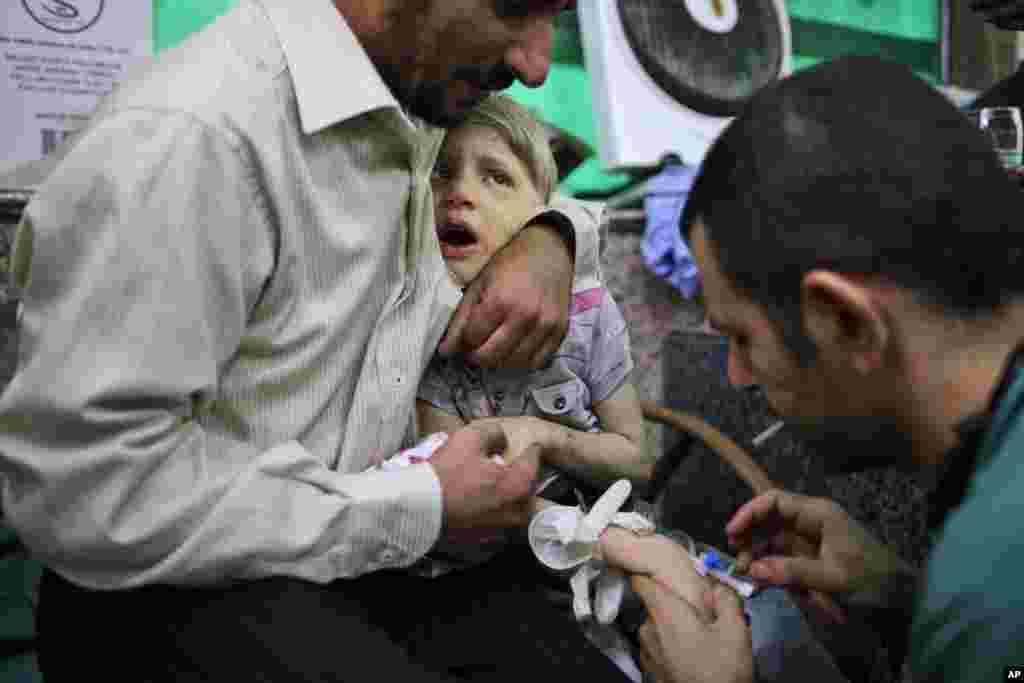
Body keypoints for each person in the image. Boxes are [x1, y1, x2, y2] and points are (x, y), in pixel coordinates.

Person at [0, 1, 638, 681]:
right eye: (516, 7)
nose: (536, 65)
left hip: (363, 565)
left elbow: (527, 174)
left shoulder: (414, 110)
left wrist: (553, 237)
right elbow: (88, 490)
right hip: (170, 593)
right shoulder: (194, 138)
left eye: (558, 19)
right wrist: (418, 505)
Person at [598, 55, 1024, 683]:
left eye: (742, 337)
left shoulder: (989, 599)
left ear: (844, 321)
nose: (738, 376)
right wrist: (905, 593)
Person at [415, 93, 651, 570]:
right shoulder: (421, 328)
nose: (459, 191)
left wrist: (541, 435)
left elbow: (636, 463)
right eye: (441, 171)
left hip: (608, 546)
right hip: (495, 569)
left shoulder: (590, 315)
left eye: (496, 177)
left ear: (541, 214)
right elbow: (459, 497)